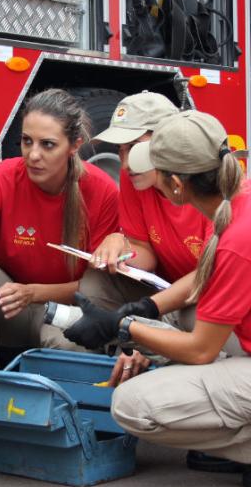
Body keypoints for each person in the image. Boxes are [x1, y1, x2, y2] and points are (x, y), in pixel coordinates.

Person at [63, 110, 251, 487]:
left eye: (156, 172)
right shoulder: (249, 197)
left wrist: (121, 326)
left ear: (177, 186)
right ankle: (243, 433)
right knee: (165, 335)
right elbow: (203, 275)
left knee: (131, 406)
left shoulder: (244, 235)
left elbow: (199, 351)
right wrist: (145, 309)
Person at [0, 88, 119, 369]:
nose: (33, 155)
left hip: (63, 312)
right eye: (27, 141)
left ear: (74, 145)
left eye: (48, 144)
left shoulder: (101, 190)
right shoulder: (2, 175)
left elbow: (98, 291)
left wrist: (34, 292)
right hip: (9, 306)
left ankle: (56, 408)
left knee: (71, 344)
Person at [74, 91, 212, 383]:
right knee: (96, 281)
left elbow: (210, 276)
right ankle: (97, 372)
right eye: (120, 151)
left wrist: (150, 333)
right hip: (169, 291)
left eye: (135, 149)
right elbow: (144, 248)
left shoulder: (205, 184)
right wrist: (119, 248)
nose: (124, 164)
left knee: (192, 319)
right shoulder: (134, 177)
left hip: (212, 293)